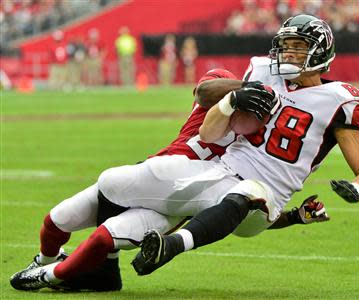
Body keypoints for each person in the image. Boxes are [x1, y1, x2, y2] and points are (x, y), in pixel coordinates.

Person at [10, 68, 329, 291]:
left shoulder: (254, 153)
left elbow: (238, 209)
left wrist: (294, 217)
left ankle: (55, 275)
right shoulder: (224, 97)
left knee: (106, 237)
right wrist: (241, 93)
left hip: (175, 204)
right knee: (56, 221)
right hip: (159, 171)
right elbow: (205, 91)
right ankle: (45, 261)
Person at [132, 14, 359, 275]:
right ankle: (106, 250)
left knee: (248, 192)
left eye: (298, 47)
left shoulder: (337, 101)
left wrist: (356, 189)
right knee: (156, 173)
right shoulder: (262, 72)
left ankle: (169, 247)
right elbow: (205, 97)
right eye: (286, 46)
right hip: (223, 172)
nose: (289, 53)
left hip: (266, 198)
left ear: (320, 52)